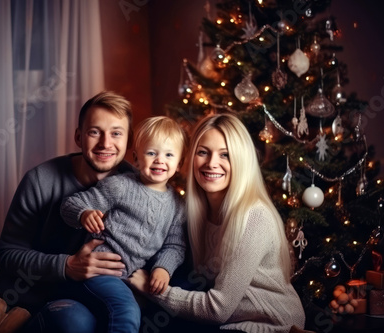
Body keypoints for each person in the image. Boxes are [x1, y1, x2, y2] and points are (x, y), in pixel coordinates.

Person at [129, 113, 306, 333]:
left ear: (241, 161)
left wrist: (151, 288)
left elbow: (217, 309)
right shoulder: (193, 211)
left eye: (225, 155)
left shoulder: (254, 216)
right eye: (203, 152)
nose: (212, 163)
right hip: (227, 322)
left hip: (271, 324)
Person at [0, 91, 135, 333]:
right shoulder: (41, 180)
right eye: (94, 132)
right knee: (74, 321)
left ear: (128, 142)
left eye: (116, 133)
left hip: (96, 297)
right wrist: (66, 266)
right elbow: (6, 255)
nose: (105, 144)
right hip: (35, 301)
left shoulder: (138, 187)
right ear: (79, 137)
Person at [60, 116, 188, 332]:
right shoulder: (119, 186)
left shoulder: (177, 205)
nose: (159, 160)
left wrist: (163, 269)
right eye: (151, 153)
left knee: (150, 313)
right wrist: (84, 214)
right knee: (126, 311)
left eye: (168, 154)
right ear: (137, 159)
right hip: (98, 272)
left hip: (129, 277)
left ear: (179, 163)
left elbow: (175, 245)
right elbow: (71, 203)